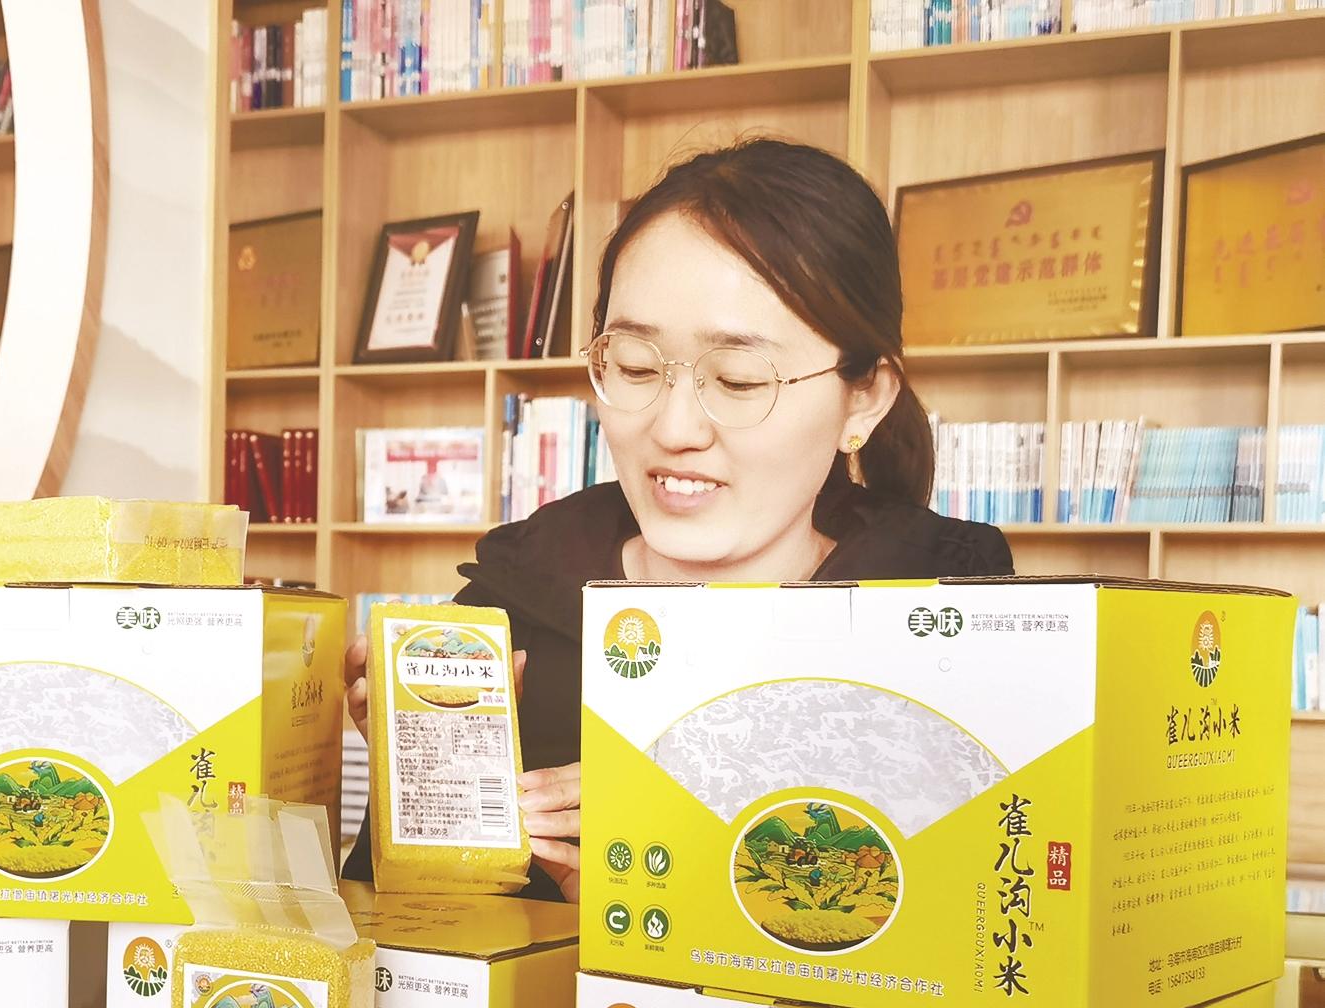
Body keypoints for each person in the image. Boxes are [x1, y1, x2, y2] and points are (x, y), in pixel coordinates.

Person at [343, 138, 1014, 903]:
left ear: (863, 398)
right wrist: (424, 792)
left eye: (738, 378)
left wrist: (674, 903)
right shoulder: (507, 613)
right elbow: (393, 941)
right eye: (635, 366)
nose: (674, 428)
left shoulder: (952, 635)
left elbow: (992, 930)